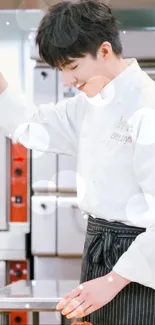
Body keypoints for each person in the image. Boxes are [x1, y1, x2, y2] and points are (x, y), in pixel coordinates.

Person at [0, 0, 155, 324]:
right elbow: (32, 127)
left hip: (138, 266)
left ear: (104, 50)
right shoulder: (90, 105)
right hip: (98, 249)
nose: (68, 82)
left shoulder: (147, 106)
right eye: (61, 71)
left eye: (72, 68)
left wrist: (114, 280)